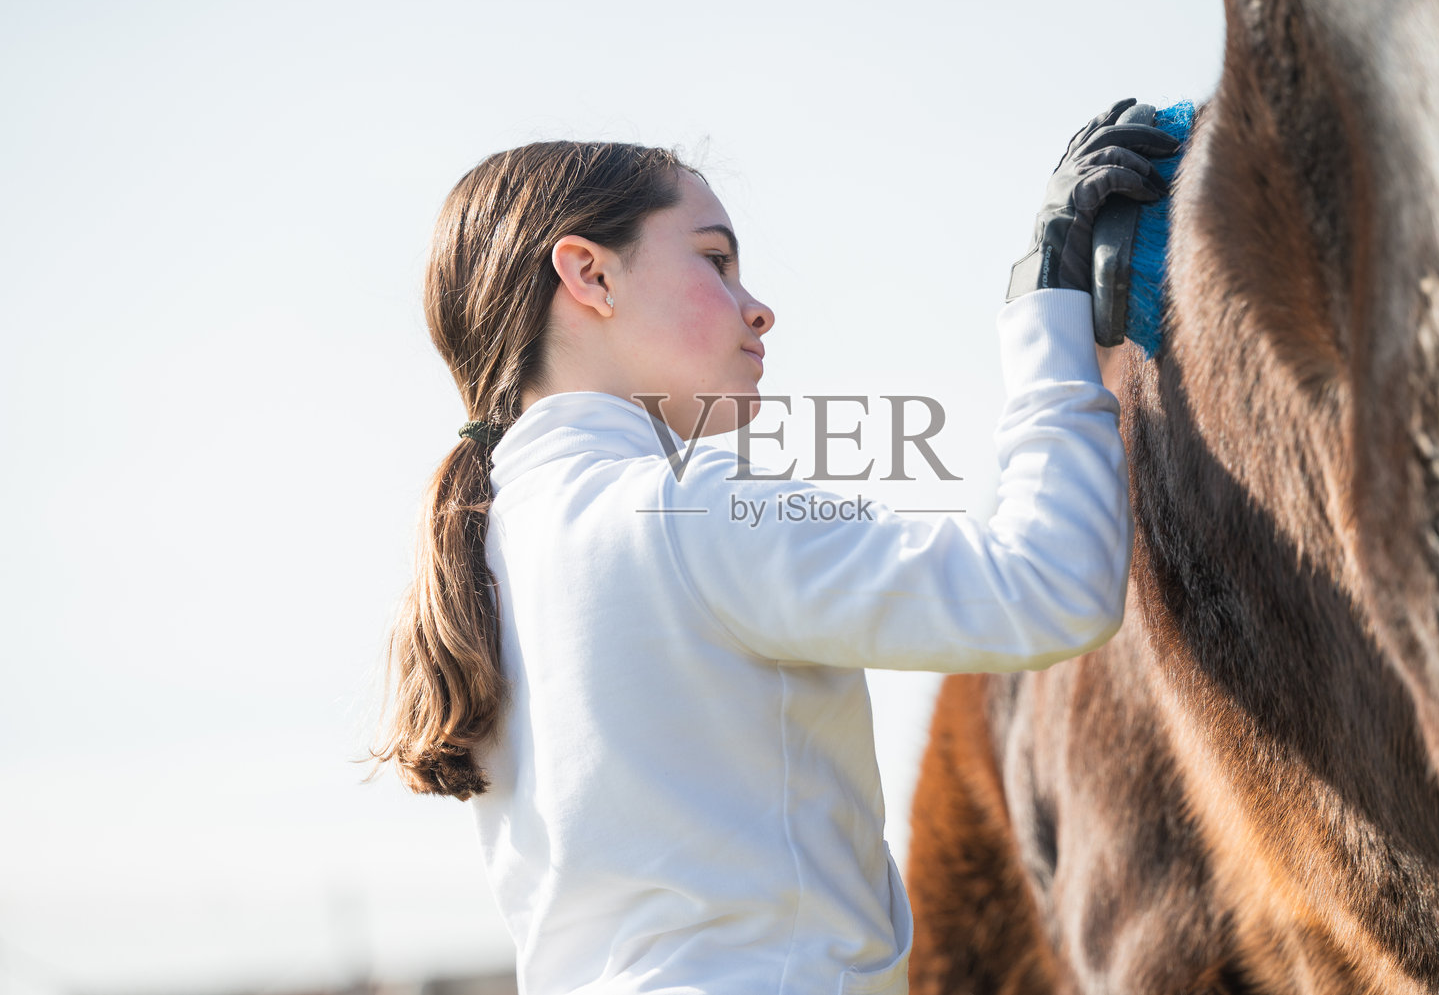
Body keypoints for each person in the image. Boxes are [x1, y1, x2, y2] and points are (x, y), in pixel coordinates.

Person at [374, 102, 1178, 995]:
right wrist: (1049, 310)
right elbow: (1050, 586)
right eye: (715, 260)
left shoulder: (483, 560)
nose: (757, 309)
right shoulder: (689, 510)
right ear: (588, 275)